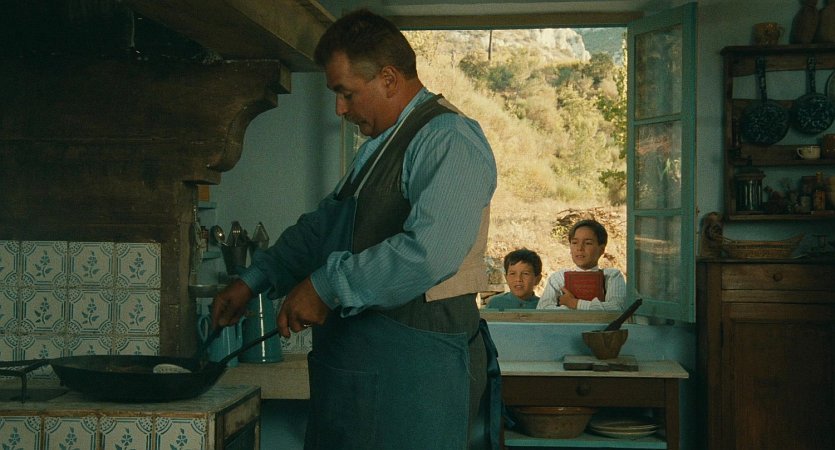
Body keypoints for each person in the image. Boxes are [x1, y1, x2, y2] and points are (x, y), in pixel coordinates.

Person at [211, 9, 500, 450]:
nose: (340, 109)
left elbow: (430, 253)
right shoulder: (377, 148)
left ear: (388, 79)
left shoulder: (448, 139)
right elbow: (323, 228)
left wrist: (326, 286)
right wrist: (254, 279)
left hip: (417, 378)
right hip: (355, 379)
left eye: (346, 93)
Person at [537, 219, 626, 311]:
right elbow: (542, 309)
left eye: (588, 243)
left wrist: (573, 303)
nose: (579, 248)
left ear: (601, 249)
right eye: (575, 243)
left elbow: (617, 308)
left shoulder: (612, 276)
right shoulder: (558, 278)